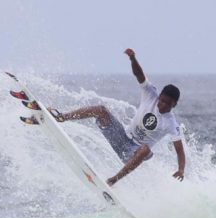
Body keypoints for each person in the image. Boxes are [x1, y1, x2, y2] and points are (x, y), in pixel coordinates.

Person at [55, 48, 186, 187]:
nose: (163, 105)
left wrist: (181, 170)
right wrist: (133, 59)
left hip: (133, 153)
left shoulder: (170, 123)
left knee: (145, 149)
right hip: (121, 137)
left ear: (174, 105)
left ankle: (113, 180)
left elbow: (179, 150)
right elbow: (139, 75)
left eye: (168, 104)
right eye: (162, 100)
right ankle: (62, 117)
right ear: (159, 96)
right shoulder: (150, 94)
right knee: (100, 110)